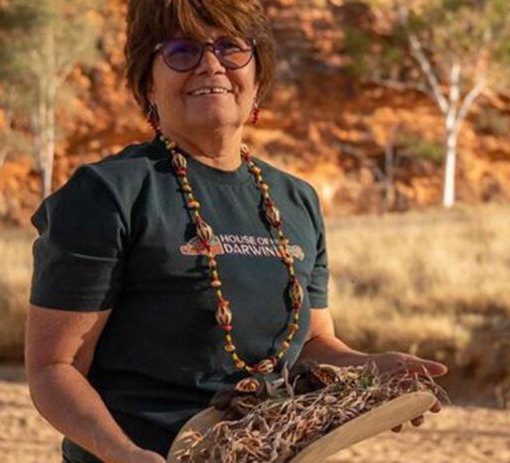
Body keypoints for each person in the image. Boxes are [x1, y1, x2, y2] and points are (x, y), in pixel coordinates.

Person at [24, 1, 448, 462]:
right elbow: (54, 368)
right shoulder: (108, 194)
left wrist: (374, 370)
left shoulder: (296, 200)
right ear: (148, 81)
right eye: (182, 51)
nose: (211, 65)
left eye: (230, 48)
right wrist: (121, 452)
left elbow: (311, 344)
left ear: (258, 76)